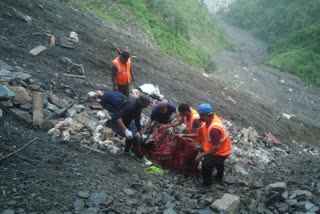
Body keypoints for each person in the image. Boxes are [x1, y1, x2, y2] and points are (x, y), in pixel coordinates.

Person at [106, 95, 152, 165]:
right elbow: (118, 117)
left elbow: (137, 121)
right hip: (116, 123)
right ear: (141, 102)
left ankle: (126, 151)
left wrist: (141, 134)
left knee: (133, 134)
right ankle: (140, 156)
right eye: (146, 104)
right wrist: (125, 130)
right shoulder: (131, 106)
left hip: (126, 122)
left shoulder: (139, 106)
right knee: (135, 137)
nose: (147, 106)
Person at [195, 103, 231, 187]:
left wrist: (201, 155)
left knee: (206, 163)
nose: (199, 117)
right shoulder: (212, 119)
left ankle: (206, 184)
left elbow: (216, 148)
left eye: (200, 115)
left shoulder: (214, 129)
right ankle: (219, 178)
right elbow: (208, 137)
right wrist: (202, 146)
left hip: (221, 151)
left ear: (204, 116)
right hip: (225, 147)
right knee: (219, 163)